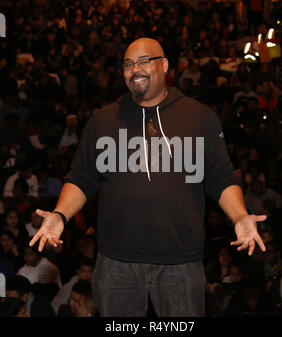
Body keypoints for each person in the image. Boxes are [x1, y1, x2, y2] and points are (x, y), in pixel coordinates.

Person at [29, 38, 267, 317]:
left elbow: (220, 177)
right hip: (116, 263)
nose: (134, 70)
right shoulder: (102, 120)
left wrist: (240, 217)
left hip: (181, 263)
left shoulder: (199, 117)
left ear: (164, 65)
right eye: (128, 64)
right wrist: (59, 215)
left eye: (143, 61)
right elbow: (82, 178)